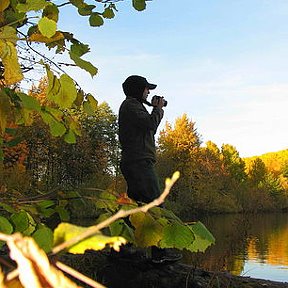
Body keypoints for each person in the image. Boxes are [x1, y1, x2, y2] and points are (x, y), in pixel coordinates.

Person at [118, 75, 182, 264]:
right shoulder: (130, 106)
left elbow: (145, 125)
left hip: (135, 161)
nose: (149, 92)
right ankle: (159, 254)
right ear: (139, 90)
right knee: (156, 205)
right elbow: (150, 125)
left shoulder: (133, 106)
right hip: (139, 163)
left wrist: (154, 108)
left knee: (135, 207)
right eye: (147, 89)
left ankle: (121, 248)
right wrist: (158, 109)